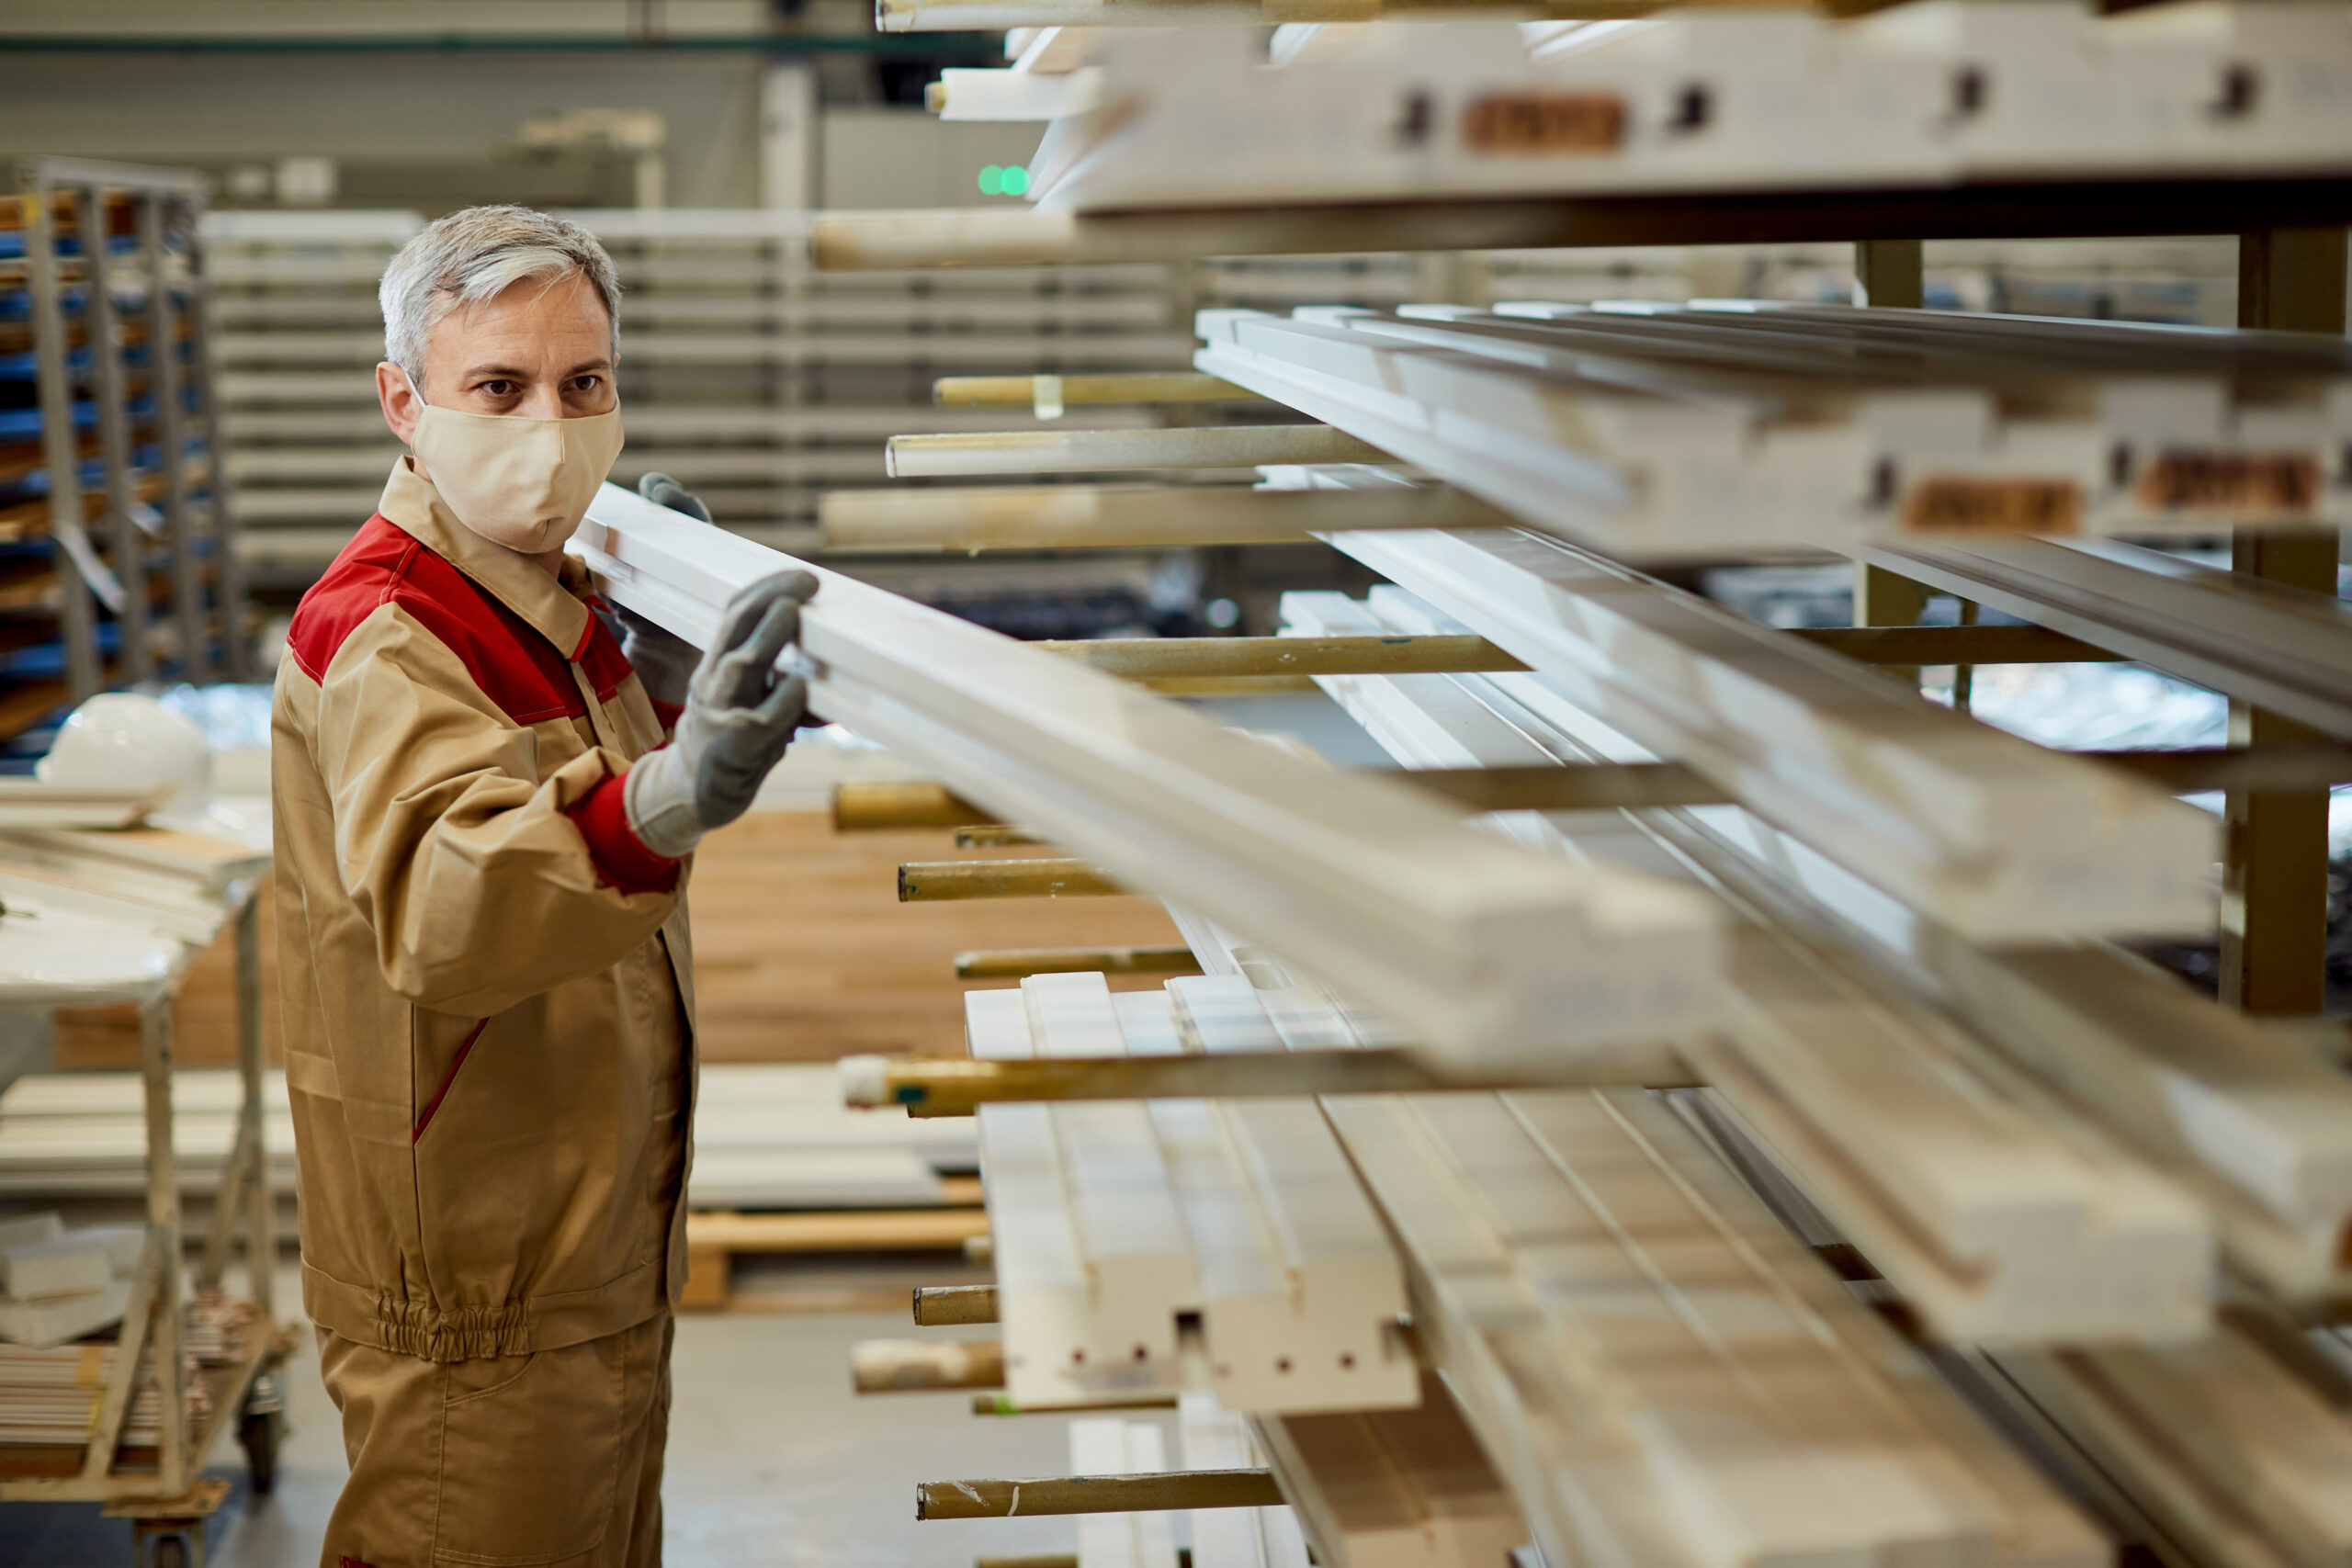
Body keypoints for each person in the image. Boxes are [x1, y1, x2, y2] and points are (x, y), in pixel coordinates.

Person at [271, 204, 808, 1568]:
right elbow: (447, 901)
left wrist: (662, 691)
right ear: (404, 402)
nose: (551, 428)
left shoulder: (546, 594)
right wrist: (673, 792)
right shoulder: (395, 627)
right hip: (477, 1278)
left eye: (586, 386)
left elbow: (573, 824)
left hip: (580, 1238)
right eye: (497, 389)